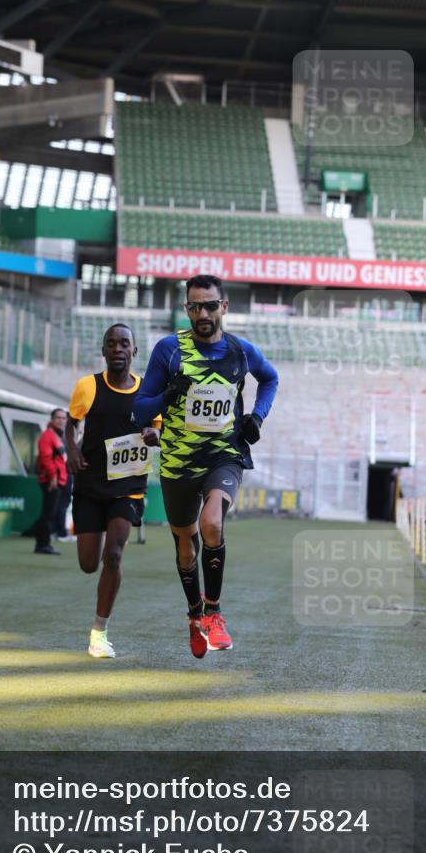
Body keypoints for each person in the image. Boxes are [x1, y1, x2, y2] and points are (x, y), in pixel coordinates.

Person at [133, 274, 278, 658]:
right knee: (186, 548)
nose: (203, 314)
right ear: (186, 308)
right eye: (195, 307)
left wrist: (257, 417)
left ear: (223, 307)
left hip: (223, 455)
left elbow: (270, 379)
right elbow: (140, 410)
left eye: (210, 306)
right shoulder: (169, 350)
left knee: (212, 523)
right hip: (178, 461)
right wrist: (167, 396)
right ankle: (195, 614)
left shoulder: (241, 351)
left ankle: (214, 613)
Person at [65, 323, 161, 659]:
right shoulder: (87, 386)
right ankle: (101, 547)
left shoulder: (148, 390)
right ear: (103, 350)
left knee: (115, 555)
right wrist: (71, 450)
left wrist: (154, 434)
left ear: (134, 351)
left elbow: (158, 427)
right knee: (88, 564)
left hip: (128, 484)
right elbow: (71, 422)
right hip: (91, 484)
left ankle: (99, 633)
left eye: (124, 344)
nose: (118, 349)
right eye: (111, 343)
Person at [33, 408, 68, 555]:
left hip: (58, 479)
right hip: (51, 480)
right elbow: (46, 458)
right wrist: (53, 477)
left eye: (63, 418)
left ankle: (42, 543)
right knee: (48, 513)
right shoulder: (47, 436)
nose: (61, 420)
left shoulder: (56, 436)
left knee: (50, 513)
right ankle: (43, 545)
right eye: (58, 417)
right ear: (52, 419)